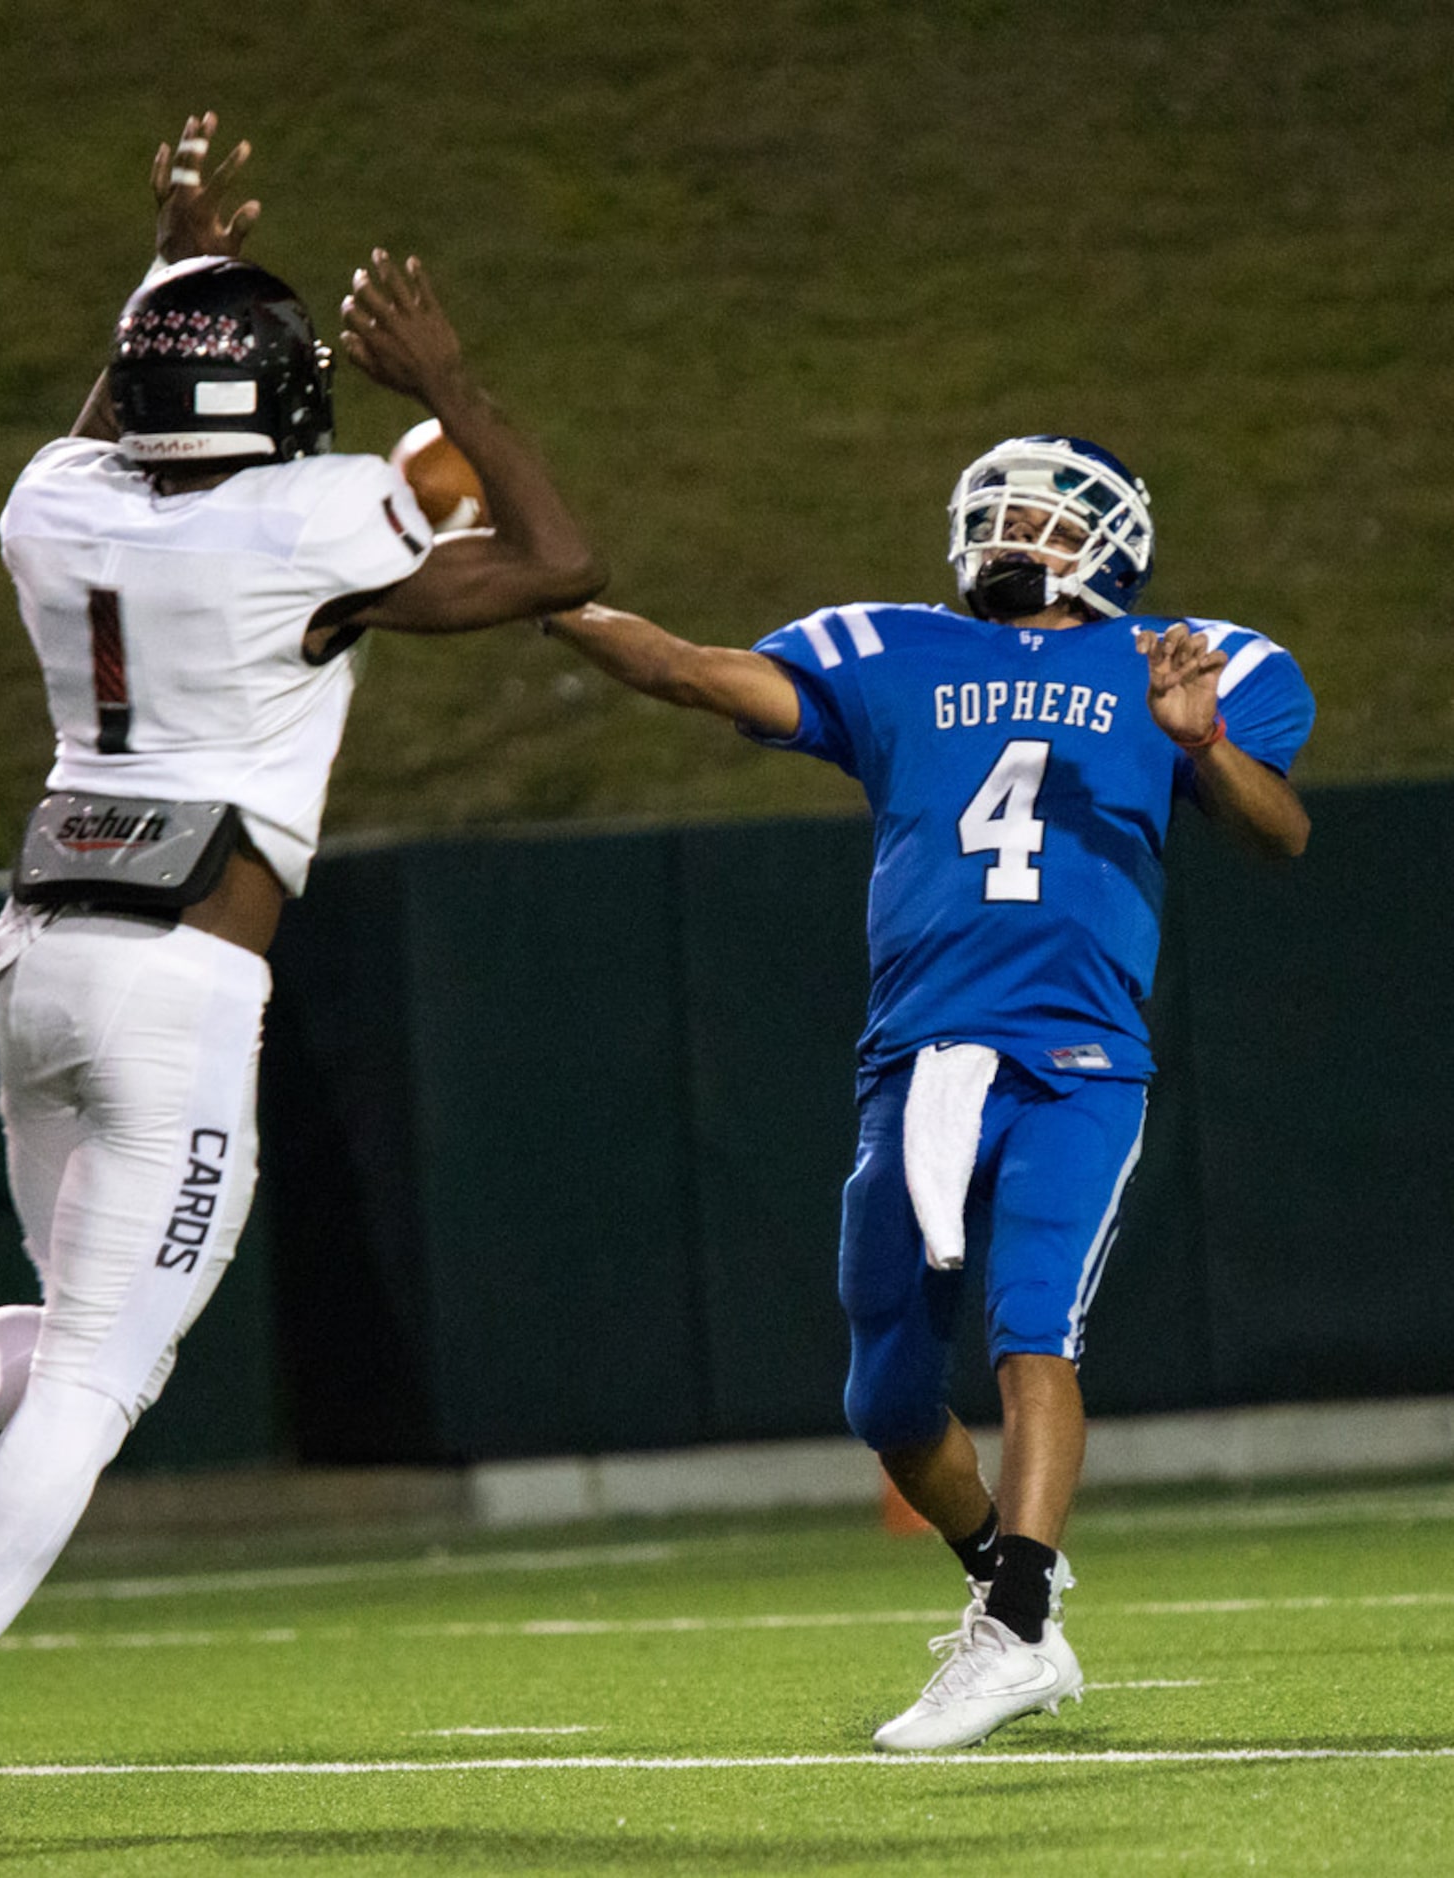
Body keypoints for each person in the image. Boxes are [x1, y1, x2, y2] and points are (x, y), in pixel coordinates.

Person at [0, 109, 603, 1839]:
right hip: (183, 990)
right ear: (278, 408)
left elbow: (113, 422)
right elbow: (560, 554)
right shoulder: (312, 523)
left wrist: (171, 272)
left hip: (36, 965)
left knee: (80, 1325)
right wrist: (455, 377)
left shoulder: (51, 502)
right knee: (113, 1376)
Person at [541, 434, 1312, 1751]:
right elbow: (682, 667)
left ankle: (1011, 1631)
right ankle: (1014, 1591)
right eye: (995, 511)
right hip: (915, 1063)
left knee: (1033, 1328)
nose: (1011, 533)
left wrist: (1208, 741)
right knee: (888, 1399)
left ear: (1110, 539)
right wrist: (542, 598)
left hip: (1076, 1059)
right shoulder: (887, 649)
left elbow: (1279, 830)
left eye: (1039, 514)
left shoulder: (1191, 663)